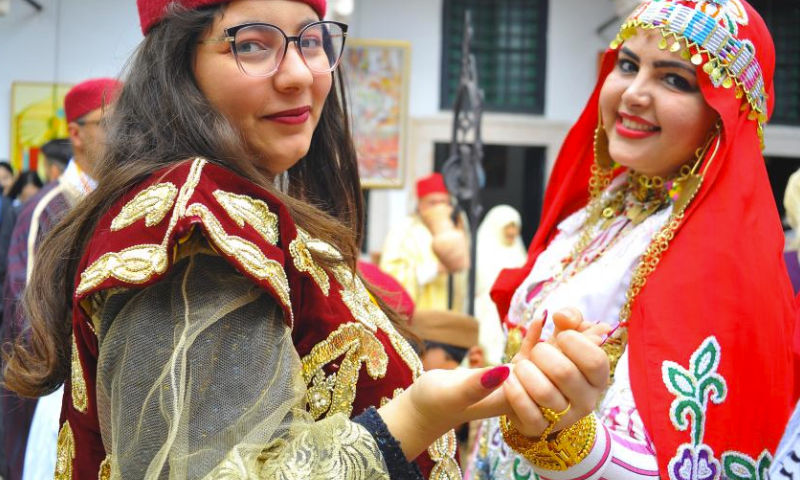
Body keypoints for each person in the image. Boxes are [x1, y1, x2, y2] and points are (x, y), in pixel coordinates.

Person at [2, 1, 612, 479]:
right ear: (178, 66)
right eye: (252, 45)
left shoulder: (253, 205)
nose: (298, 74)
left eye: (311, 40)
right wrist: (419, 415)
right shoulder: (196, 223)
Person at [466, 1, 795, 478]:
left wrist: (567, 440)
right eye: (627, 65)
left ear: (723, 117)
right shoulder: (605, 209)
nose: (633, 93)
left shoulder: (723, 267)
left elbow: (696, 458)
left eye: (675, 79)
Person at [0, 77, 121, 480]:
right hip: (52, 399)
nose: (122, 133)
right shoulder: (48, 210)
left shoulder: (122, 201)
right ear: (76, 133)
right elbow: (27, 318)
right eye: (109, 122)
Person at [380, 173, 470, 311]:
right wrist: (434, 269)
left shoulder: (455, 230)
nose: (439, 208)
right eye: (433, 203)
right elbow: (390, 275)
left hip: (450, 315)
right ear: (420, 204)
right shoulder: (403, 230)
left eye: (444, 202)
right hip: (419, 316)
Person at [474, 205, 527, 366]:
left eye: (515, 226)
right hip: (485, 311)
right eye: (508, 226)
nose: (512, 231)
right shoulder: (481, 249)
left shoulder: (518, 250)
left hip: (511, 313)